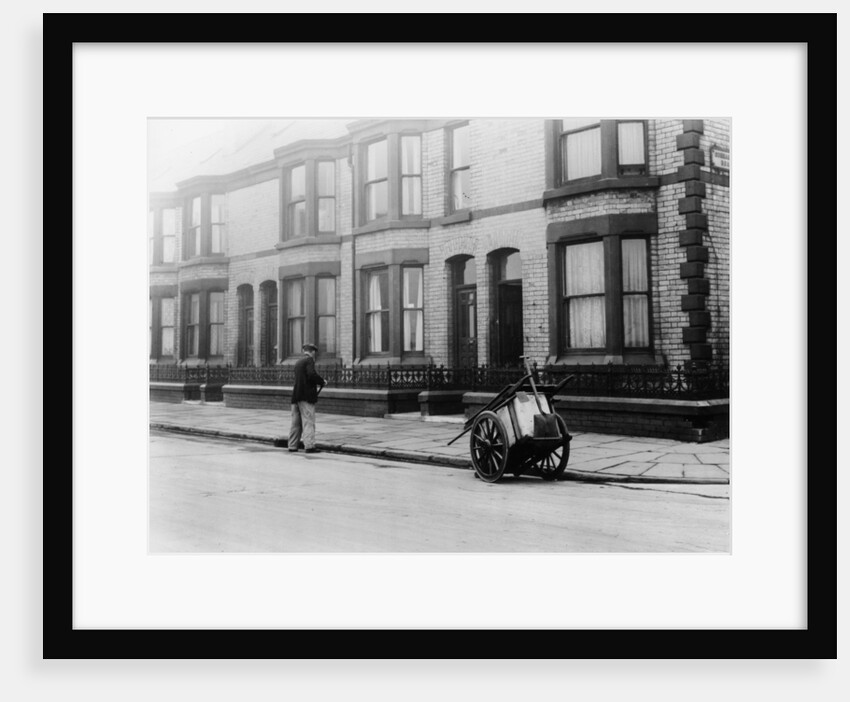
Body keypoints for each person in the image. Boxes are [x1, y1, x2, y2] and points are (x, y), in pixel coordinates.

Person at [288, 343, 326, 454]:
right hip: (306, 397)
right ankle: (309, 446)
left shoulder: (298, 362)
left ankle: (292, 446)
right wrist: (322, 381)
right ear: (313, 352)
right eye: (315, 352)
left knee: (296, 423)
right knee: (308, 421)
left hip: (296, 396)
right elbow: (311, 374)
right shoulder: (309, 360)